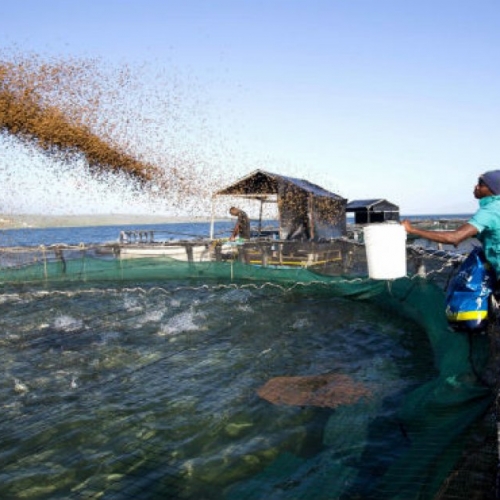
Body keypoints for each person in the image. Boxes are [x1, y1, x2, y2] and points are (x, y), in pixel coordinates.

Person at [402, 170, 500, 278]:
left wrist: (412, 230)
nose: (476, 186)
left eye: (481, 184)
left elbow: (454, 238)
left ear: (493, 189)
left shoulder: (490, 210)